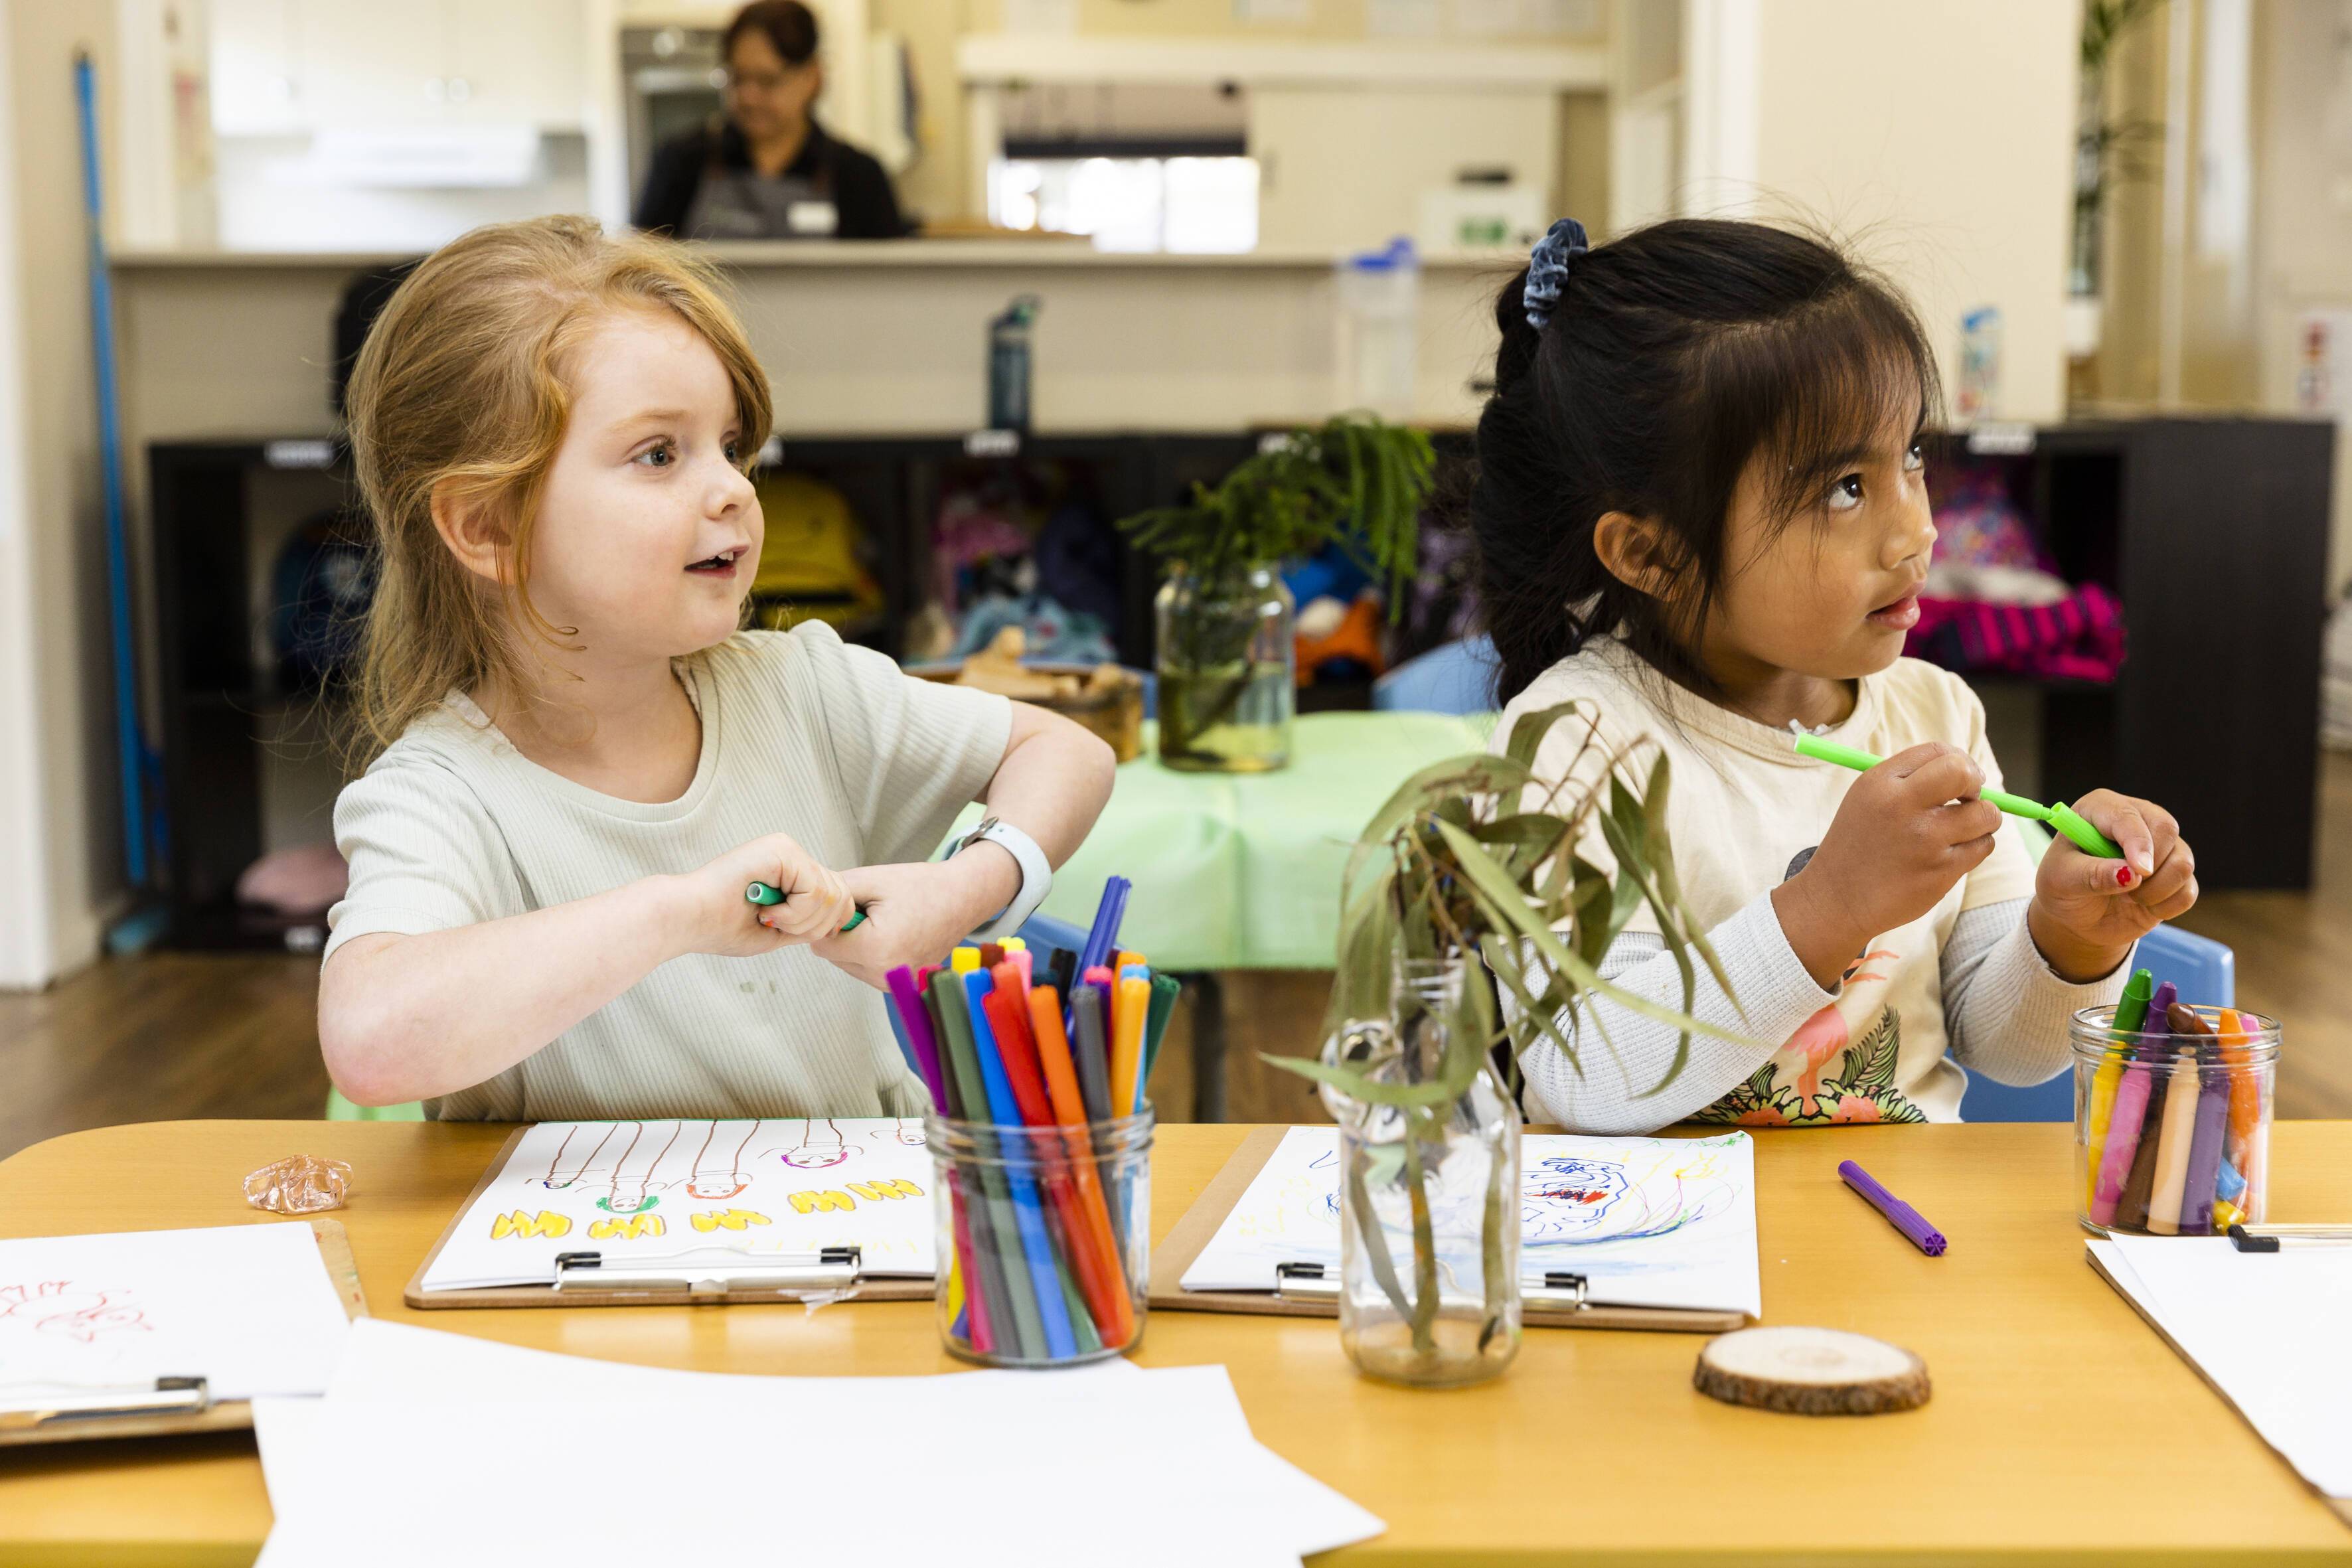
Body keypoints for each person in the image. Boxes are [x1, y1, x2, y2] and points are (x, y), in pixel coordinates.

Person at [317, 216, 1115, 1120]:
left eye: (730, 446)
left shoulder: (803, 688)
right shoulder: (439, 793)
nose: (735, 487)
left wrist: (964, 886)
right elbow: (370, 1044)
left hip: (857, 1242)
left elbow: (1067, 752)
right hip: (596, 1256)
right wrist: (678, 914)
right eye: (659, 453)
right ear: (487, 528)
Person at [1473, 218, 2198, 1133]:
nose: (1916, 531)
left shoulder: (1934, 712)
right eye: (1843, 489)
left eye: (1911, 457)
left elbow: (2003, 1045)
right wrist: (1825, 908)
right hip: (1645, 1256)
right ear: (1651, 553)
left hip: (1897, 1247)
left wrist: (2068, 936)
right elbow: (1584, 1072)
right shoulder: (1575, 742)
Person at [633, 1, 905, 241]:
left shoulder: (859, 177)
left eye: (767, 81)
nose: (748, 97)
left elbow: (892, 287)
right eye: (738, 79)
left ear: (811, 78)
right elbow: (639, 276)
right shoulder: (682, 163)